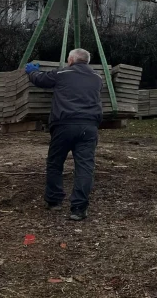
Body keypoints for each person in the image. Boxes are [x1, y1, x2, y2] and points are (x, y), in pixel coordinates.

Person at [25, 48, 103, 221]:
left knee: (55, 163)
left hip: (64, 125)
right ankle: (79, 209)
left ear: (71, 60)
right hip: (89, 127)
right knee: (85, 167)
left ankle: (54, 201)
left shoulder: (63, 73)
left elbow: (41, 80)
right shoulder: (98, 78)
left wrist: (32, 71)